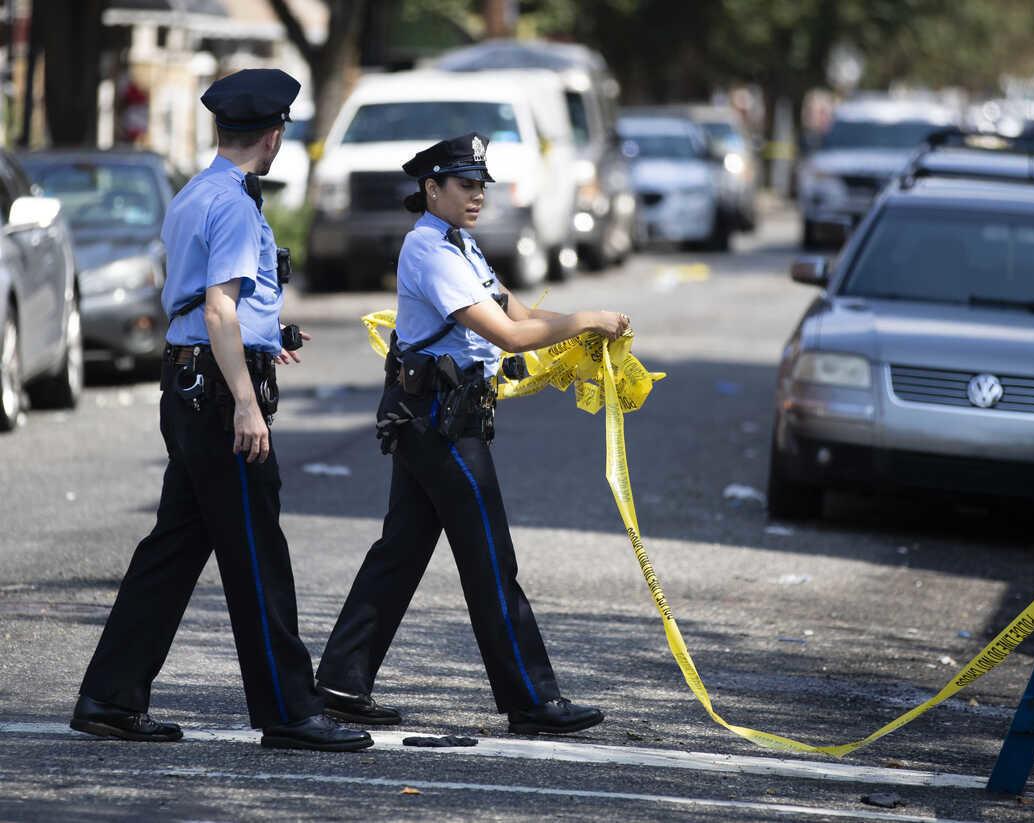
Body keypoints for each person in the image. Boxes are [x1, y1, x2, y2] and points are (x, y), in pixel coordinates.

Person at [69, 69, 371, 752]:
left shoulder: (194, 193)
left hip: (187, 383)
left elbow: (202, 303)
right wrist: (245, 401)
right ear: (273, 134)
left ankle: (110, 696)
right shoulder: (235, 203)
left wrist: (271, 338)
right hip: (215, 394)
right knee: (257, 552)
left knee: (173, 549)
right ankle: (290, 710)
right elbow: (218, 307)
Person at [316, 132, 630, 735]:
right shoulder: (429, 252)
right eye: (464, 185)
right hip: (437, 421)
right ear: (431, 190)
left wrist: (587, 329)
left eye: (481, 185)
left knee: (400, 552)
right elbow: (509, 338)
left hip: (435, 417)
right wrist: (585, 321)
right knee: (489, 557)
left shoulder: (462, 246)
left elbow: (518, 314)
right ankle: (531, 700)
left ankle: (340, 681)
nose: (477, 195)